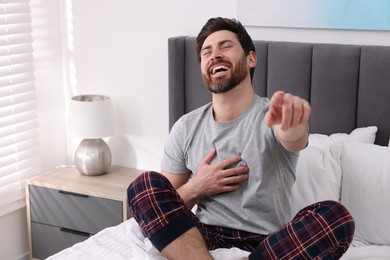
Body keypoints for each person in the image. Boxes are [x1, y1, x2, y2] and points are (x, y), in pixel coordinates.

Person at [128, 17, 354, 259]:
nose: (214, 55)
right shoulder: (186, 127)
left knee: (336, 217)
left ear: (251, 58)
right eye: (207, 52)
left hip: (267, 246)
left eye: (225, 46)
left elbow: (292, 136)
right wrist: (196, 187)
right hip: (202, 238)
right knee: (142, 186)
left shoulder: (272, 116)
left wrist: (295, 125)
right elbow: (160, 208)